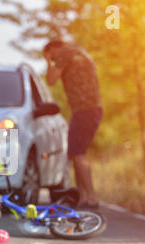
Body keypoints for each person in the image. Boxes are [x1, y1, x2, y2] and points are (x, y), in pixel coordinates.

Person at [44, 40, 103, 209]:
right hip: (89, 109)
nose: (53, 60)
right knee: (76, 153)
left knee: (78, 153)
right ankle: (83, 197)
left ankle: (90, 198)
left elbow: (51, 80)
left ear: (53, 49)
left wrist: (48, 61)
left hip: (85, 110)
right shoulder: (78, 51)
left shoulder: (65, 53)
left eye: (51, 55)